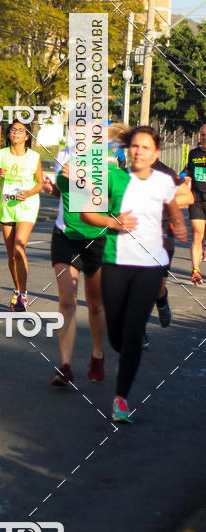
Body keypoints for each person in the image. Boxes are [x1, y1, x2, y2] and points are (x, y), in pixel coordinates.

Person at [80, 126, 187, 423]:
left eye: (145, 147)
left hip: (150, 266)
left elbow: (173, 205)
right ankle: (124, 354)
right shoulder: (113, 178)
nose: (139, 151)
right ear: (129, 150)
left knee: (133, 331)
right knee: (116, 333)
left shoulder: (163, 181)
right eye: (135, 146)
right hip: (115, 262)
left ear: (155, 153)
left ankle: (121, 399)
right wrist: (112, 223)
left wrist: (179, 222)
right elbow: (86, 212)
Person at [43, 151, 106, 387]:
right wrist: (52, 189)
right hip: (65, 234)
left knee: (95, 304)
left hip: (95, 235)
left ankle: (98, 354)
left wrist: (81, 178)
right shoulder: (63, 154)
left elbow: (107, 197)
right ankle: (65, 366)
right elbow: (63, 192)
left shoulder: (106, 155)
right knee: (67, 301)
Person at [0, 120, 43, 311]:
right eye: (13, 130)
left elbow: (40, 183)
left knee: (18, 248)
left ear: (27, 136)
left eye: (20, 130)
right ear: (9, 134)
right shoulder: (0, 154)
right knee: (11, 256)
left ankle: (22, 294)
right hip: (7, 207)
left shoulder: (34, 157)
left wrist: (29, 193)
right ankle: (18, 289)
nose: (16, 133)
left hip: (27, 206)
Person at [146, 154, 193, 345]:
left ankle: (161, 300)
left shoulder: (165, 172)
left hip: (162, 234)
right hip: (132, 236)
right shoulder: (125, 173)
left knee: (156, 287)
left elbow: (187, 197)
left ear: (155, 151)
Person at [180, 124, 206, 285]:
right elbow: (188, 171)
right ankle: (195, 271)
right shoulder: (193, 153)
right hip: (196, 199)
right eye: (202, 134)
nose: (204, 137)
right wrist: (187, 177)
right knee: (197, 234)